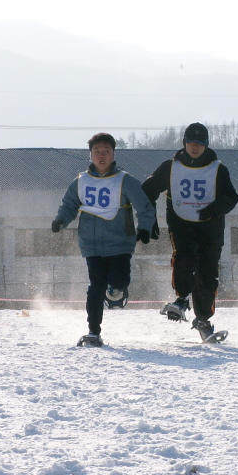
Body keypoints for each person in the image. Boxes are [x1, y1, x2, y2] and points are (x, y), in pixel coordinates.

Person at [52, 133, 155, 346]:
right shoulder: (80, 181)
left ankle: (117, 289)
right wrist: (61, 221)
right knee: (95, 286)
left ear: (113, 154)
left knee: (119, 280)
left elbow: (145, 207)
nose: (102, 155)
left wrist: (144, 228)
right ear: (90, 154)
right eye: (97, 151)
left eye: (106, 151)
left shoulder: (125, 180)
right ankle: (93, 331)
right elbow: (69, 205)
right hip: (90, 244)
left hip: (119, 243)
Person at [142, 122, 238, 342]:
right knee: (184, 259)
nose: (195, 147)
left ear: (206, 145)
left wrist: (213, 210)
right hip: (181, 224)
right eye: (191, 143)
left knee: (207, 273)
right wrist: (149, 218)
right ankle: (181, 299)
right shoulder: (170, 166)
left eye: (200, 143)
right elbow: (148, 189)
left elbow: (231, 198)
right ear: (184, 143)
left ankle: (203, 319)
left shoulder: (218, 169)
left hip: (210, 228)